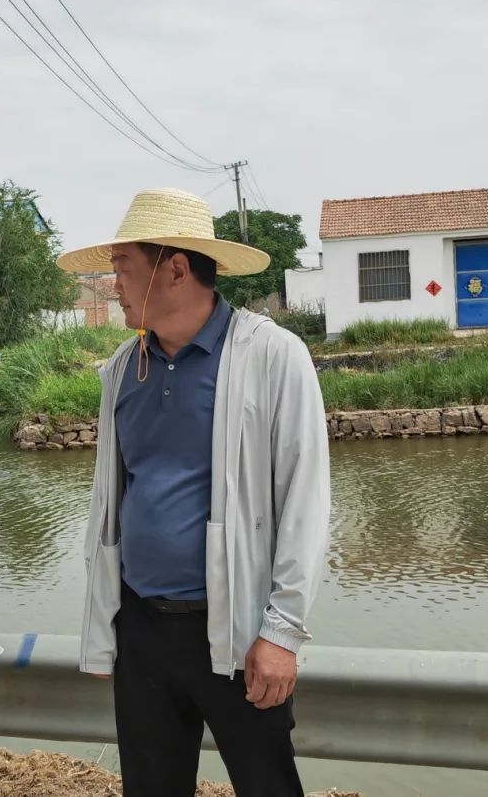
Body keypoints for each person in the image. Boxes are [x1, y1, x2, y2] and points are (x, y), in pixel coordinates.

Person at [57, 188, 330, 797]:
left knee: (266, 784)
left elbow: (305, 503)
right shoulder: (124, 369)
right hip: (142, 630)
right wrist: (107, 625)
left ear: (175, 269)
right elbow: (112, 503)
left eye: (123, 269)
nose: (113, 286)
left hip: (237, 630)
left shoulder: (271, 356)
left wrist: (282, 632)